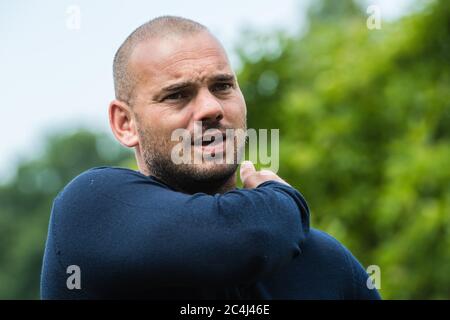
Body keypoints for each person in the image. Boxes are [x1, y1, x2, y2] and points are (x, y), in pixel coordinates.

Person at [40, 16, 381, 300]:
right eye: (177, 95)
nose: (211, 108)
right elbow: (250, 238)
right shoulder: (91, 209)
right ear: (125, 123)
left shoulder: (325, 264)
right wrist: (284, 198)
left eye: (222, 87)